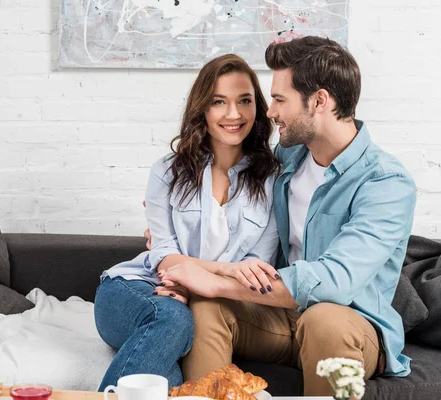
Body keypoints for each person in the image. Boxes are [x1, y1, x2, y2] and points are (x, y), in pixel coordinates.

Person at [153, 36, 417, 396]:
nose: (270, 111)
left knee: (324, 318)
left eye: (279, 99)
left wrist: (216, 281)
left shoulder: (385, 182)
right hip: (281, 317)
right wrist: (169, 230)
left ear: (320, 101)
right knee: (207, 304)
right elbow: (241, 214)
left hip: (351, 325)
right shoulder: (287, 159)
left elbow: (334, 281)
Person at [93, 54, 281, 391]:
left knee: (171, 380)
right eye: (218, 102)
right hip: (137, 289)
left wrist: (197, 281)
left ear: (258, 107)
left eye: (244, 101)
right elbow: (165, 256)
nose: (233, 114)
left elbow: (256, 268)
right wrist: (222, 271)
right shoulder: (167, 171)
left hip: (207, 303)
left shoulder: (273, 180)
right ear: (202, 109)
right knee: (171, 316)